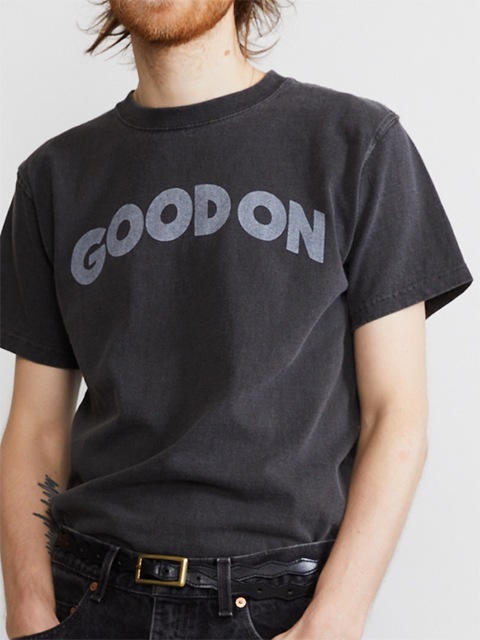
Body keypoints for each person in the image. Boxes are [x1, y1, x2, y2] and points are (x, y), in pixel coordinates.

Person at [0, 1, 474, 638]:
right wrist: (28, 608)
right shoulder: (53, 177)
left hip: (279, 604)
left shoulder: (358, 144)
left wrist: (337, 615)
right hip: (89, 592)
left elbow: (397, 415)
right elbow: (33, 427)